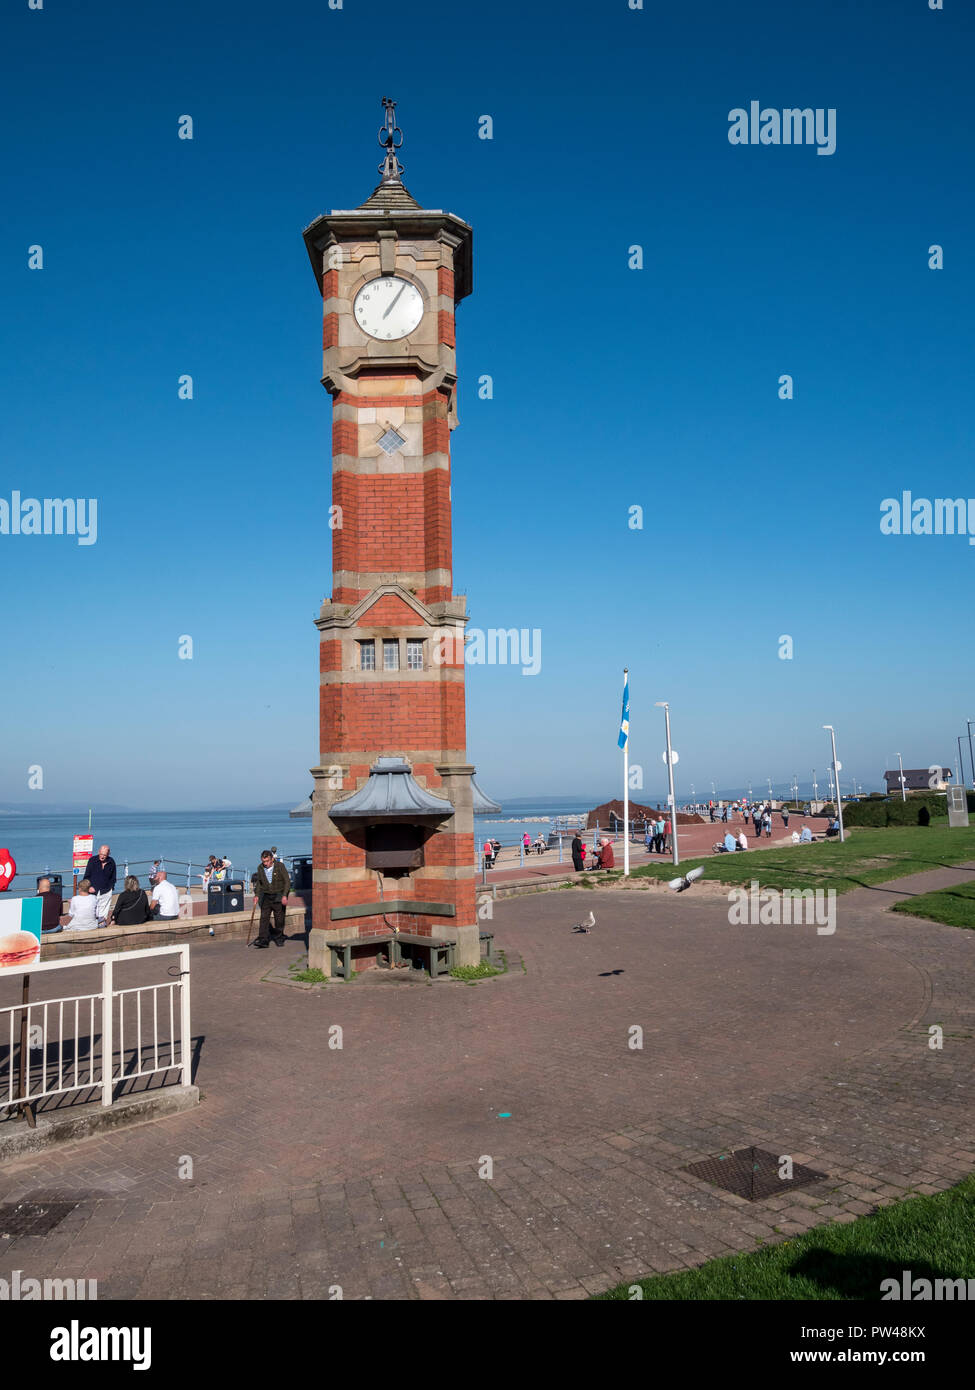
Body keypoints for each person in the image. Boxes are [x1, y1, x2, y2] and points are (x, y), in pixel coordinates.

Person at [250, 849, 291, 948]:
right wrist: (257, 895)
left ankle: (279, 938)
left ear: (272, 859)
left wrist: (285, 895)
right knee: (264, 918)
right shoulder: (260, 868)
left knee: (279, 919)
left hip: (278, 895)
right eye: (263, 861)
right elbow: (259, 884)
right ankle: (263, 940)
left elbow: (287, 882)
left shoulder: (280, 866)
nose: (265, 864)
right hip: (266, 896)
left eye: (267, 861)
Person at [83, 844, 117, 925]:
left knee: (104, 910)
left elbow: (113, 876)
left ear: (108, 854)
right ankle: (91, 924)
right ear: (98, 852)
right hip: (93, 890)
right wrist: (89, 887)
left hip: (106, 890)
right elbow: (86, 876)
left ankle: (102, 924)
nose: (102, 857)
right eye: (101, 854)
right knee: (92, 909)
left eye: (104, 855)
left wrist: (111, 887)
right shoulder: (92, 860)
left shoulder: (111, 862)